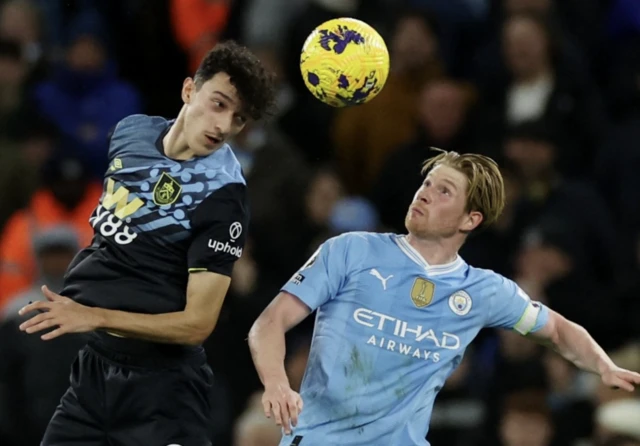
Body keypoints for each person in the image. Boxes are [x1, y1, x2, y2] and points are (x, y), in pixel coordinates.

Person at [248, 150, 640, 446]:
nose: (425, 195)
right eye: (427, 184)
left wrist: (602, 365)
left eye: (444, 191)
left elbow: (555, 328)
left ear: (471, 219)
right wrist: (277, 383)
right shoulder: (351, 250)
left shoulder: (482, 291)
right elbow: (270, 323)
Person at [18, 41, 276, 446]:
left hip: (163, 392)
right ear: (189, 90)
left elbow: (197, 324)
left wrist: (96, 314)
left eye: (239, 119)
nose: (224, 126)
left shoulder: (222, 196)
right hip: (95, 373)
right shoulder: (130, 132)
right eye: (219, 104)